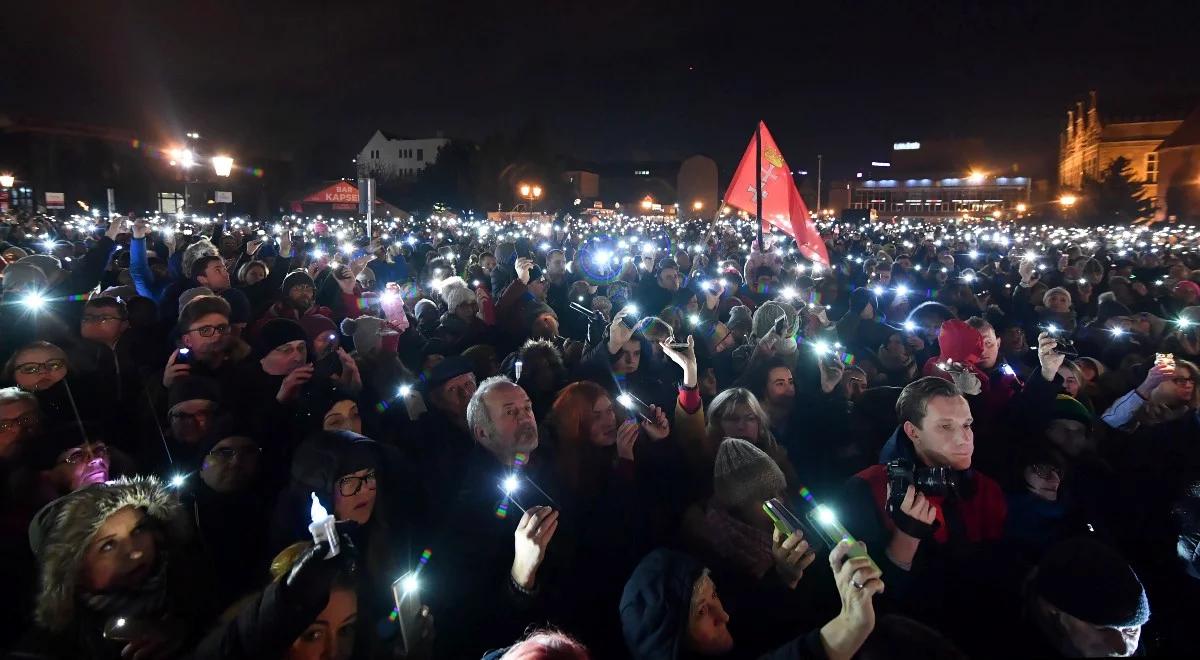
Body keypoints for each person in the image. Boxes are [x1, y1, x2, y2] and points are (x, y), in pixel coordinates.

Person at [837, 377, 1007, 636]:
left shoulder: (986, 489)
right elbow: (871, 604)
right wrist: (906, 537)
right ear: (912, 431)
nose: (964, 439)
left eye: (967, 425)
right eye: (945, 427)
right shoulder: (867, 488)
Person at [14, 476, 215, 658]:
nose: (135, 552)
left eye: (138, 530)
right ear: (72, 570)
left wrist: (185, 632)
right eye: (108, 545)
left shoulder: (196, 580)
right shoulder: (54, 644)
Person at [620, 541, 883, 660]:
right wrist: (850, 624)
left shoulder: (731, 620)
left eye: (714, 595)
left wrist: (785, 575)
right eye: (702, 612)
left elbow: (762, 614)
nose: (723, 616)